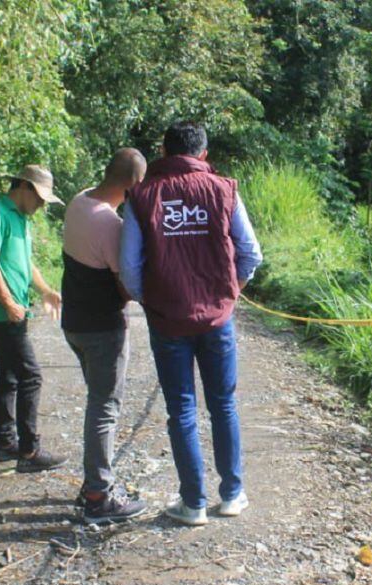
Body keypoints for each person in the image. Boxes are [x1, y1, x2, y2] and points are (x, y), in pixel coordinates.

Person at [120, 121, 263, 526]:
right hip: (217, 318)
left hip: (168, 320)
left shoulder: (142, 195)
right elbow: (250, 253)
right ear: (203, 154)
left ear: (164, 152)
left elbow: (130, 267)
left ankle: (193, 503)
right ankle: (232, 495)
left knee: (181, 408)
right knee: (223, 404)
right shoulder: (223, 189)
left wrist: (150, 301)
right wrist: (230, 292)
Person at [62, 148, 149, 524]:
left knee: (98, 402)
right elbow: (127, 286)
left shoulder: (79, 200)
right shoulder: (109, 226)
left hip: (74, 323)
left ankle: (96, 484)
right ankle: (98, 493)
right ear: (133, 185)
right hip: (102, 328)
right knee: (104, 407)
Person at [0, 164, 67, 473]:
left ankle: (6, 444)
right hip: (1, 312)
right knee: (31, 376)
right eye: (40, 197)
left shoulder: (21, 219)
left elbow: (25, 263)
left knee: (9, 373)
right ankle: (29, 451)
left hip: (12, 309)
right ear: (24, 187)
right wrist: (8, 303)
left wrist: (44, 290)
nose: (42, 204)